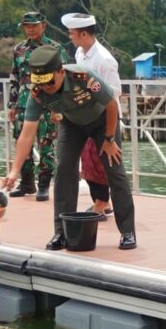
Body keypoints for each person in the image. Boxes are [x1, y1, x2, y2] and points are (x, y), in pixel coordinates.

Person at [2, 44, 137, 250]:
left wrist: (109, 139)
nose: (47, 88)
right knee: (64, 169)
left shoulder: (83, 77)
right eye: (43, 84)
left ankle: (127, 231)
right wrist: (14, 171)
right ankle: (61, 233)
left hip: (102, 122)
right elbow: (27, 134)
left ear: (61, 71)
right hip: (72, 124)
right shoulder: (37, 93)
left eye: (51, 82)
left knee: (114, 169)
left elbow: (111, 104)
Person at [61, 12, 123, 217]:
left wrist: (109, 131)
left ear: (84, 34)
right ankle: (100, 201)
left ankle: (104, 202)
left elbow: (114, 93)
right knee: (89, 162)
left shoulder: (104, 60)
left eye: (72, 33)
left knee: (105, 162)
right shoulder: (81, 53)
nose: (70, 36)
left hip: (104, 117)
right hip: (85, 115)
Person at [7, 11, 66, 201]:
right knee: (21, 142)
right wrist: (11, 105)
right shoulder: (19, 49)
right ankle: (26, 183)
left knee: (46, 143)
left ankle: (44, 185)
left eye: (34, 25)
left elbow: (63, 77)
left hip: (48, 103)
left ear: (44, 26)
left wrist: (59, 106)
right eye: (27, 26)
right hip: (24, 103)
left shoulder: (55, 48)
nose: (31, 30)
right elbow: (15, 77)